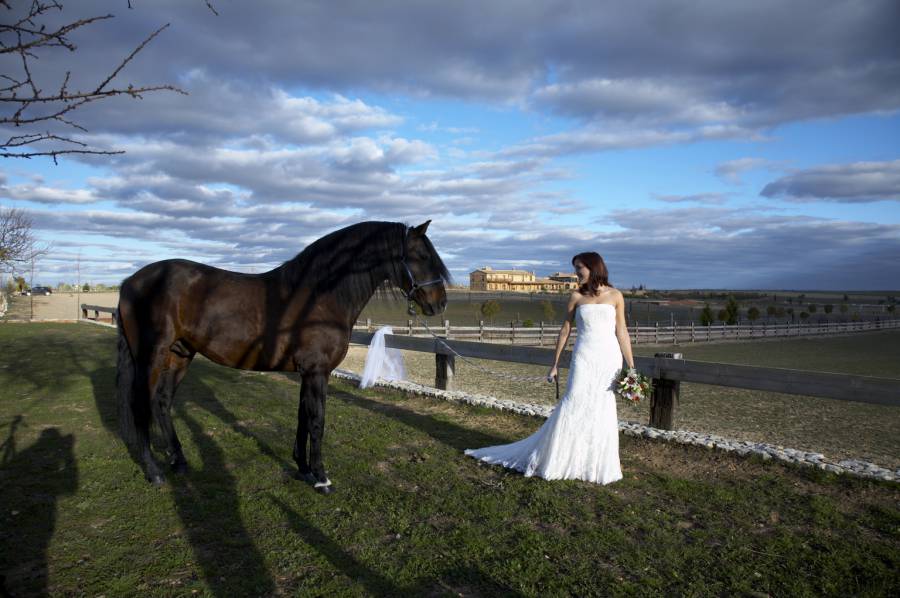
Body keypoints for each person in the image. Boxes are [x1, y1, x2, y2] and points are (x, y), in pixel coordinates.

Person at [465, 252, 635, 485]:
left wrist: (631, 366)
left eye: (579, 269)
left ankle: (593, 464)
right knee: (573, 401)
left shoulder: (616, 296)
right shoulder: (576, 296)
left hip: (609, 358)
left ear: (593, 268)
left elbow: (622, 331)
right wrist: (554, 364)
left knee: (601, 407)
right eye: (575, 269)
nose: (576, 274)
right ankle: (559, 459)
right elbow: (565, 330)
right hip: (584, 356)